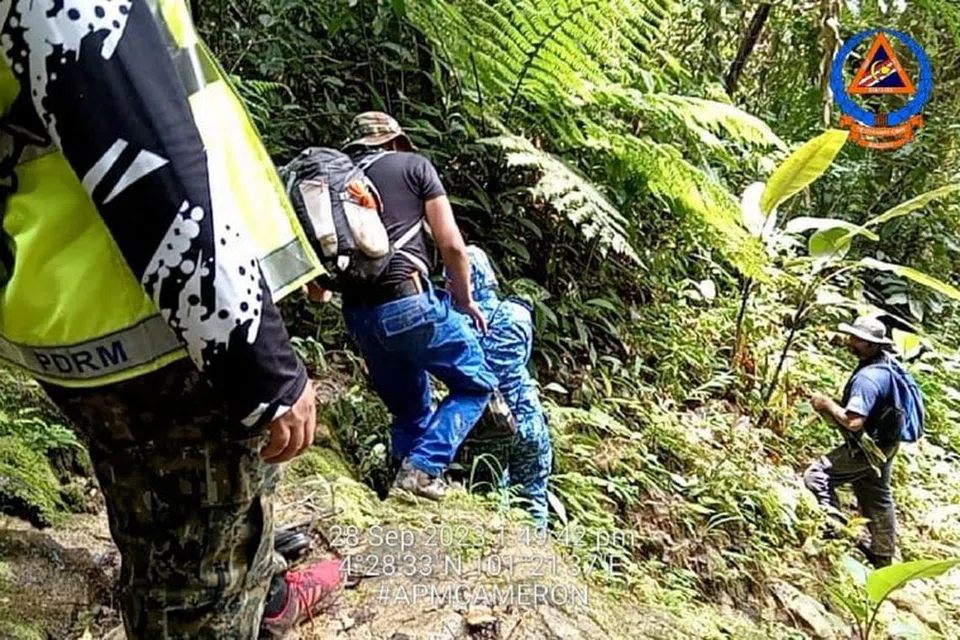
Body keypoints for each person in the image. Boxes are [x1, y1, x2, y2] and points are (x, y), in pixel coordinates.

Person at [0, 1, 339, 637]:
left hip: (75, 304)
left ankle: (258, 589)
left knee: (162, 523)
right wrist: (258, 361)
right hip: (159, 318)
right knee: (194, 586)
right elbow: (142, 148)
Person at [309, 111, 497, 500]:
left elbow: (317, 285)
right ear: (395, 141)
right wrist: (464, 300)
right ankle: (423, 469)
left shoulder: (332, 182)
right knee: (477, 384)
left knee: (409, 408)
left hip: (359, 315)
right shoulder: (414, 166)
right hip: (407, 302)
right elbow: (451, 244)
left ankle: (402, 479)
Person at [449, 246, 553, 529]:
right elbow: (522, 358)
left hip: (488, 423)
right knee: (533, 494)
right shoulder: (518, 313)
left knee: (493, 499)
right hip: (528, 415)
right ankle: (538, 550)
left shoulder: (455, 322)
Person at [803, 316, 906, 568]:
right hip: (887, 442)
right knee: (876, 491)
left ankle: (832, 528)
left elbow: (853, 422)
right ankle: (882, 555)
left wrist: (826, 404)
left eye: (857, 340)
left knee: (817, 475)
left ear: (872, 345)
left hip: (870, 446)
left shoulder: (868, 379)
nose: (850, 342)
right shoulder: (885, 364)